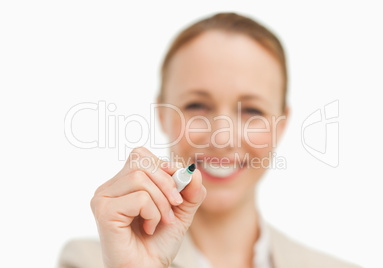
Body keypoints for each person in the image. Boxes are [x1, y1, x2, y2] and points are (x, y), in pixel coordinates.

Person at [59, 12, 361, 268]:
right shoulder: (90, 260)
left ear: (280, 126)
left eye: (252, 111)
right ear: (163, 115)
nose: (223, 137)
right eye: (196, 106)